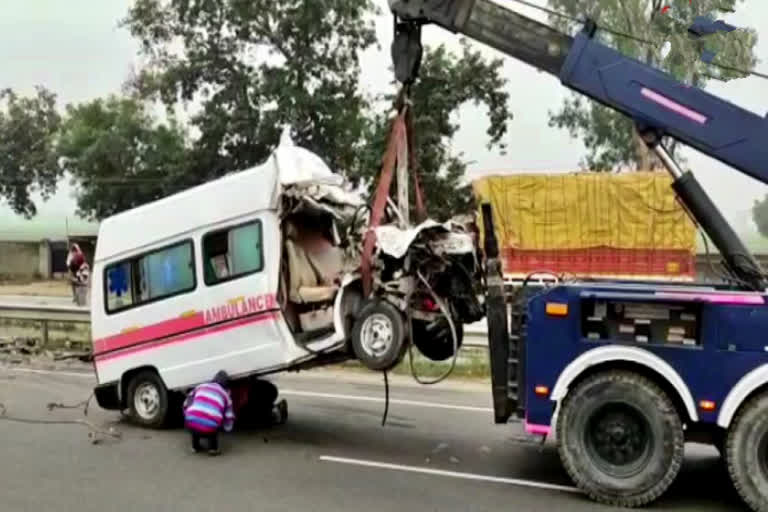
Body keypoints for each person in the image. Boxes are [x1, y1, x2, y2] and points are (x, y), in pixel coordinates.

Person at [183, 370, 235, 456]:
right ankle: (213, 449)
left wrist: (187, 414)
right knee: (213, 420)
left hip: (190, 422)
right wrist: (227, 428)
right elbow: (229, 416)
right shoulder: (225, 395)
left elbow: (187, 401)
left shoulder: (201, 386)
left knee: (195, 419)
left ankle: (195, 447)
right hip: (210, 427)